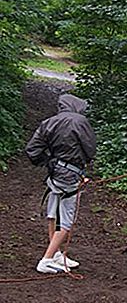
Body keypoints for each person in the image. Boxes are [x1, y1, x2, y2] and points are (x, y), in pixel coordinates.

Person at [25, 93, 96, 273]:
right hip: (70, 177)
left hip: (54, 174)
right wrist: (80, 170)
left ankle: (56, 253)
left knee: (53, 213)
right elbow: (90, 150)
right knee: (66, 220)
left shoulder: (48, 122)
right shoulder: (80, 121)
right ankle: (47, 259)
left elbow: (32, 150)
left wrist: (49, 162)